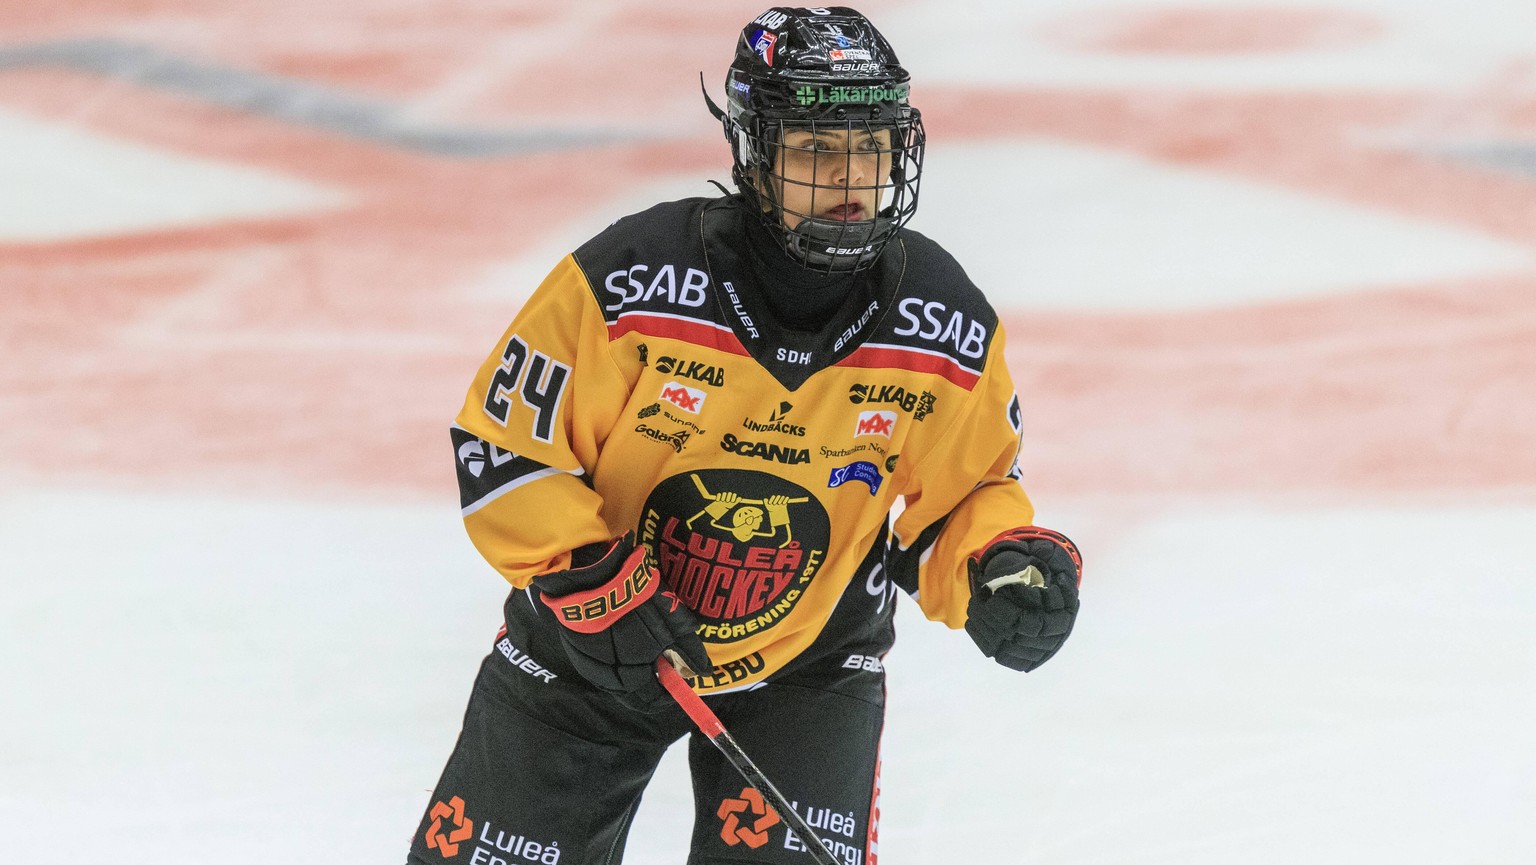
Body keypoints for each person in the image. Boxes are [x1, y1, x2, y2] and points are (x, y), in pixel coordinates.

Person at [407, 7, 1082, 864]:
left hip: (804, 665)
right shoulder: (631, 279)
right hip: (600, 641)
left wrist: (1001, 564)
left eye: (869, 150)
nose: (848, 179)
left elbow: (961, 501)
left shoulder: (942, 323)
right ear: (755, 154)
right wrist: (583, 573)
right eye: (815, 151)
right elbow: (505, 444)